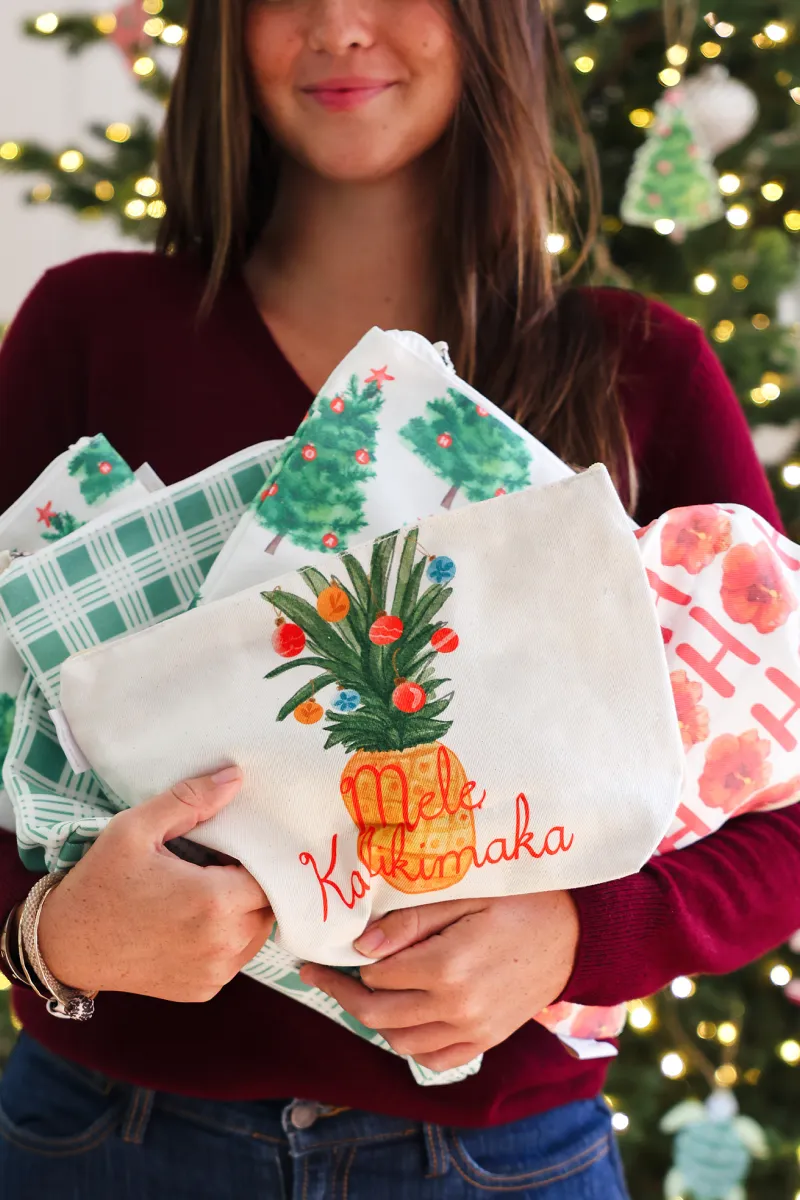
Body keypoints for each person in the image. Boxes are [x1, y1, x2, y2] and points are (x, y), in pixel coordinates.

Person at [0, 2, 797, 1197]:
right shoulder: (91, 330)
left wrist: (582, 935)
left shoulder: (640, 370)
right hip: (107, 1140)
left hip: (501, 1161)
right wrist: (50, 932)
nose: (337, 25)